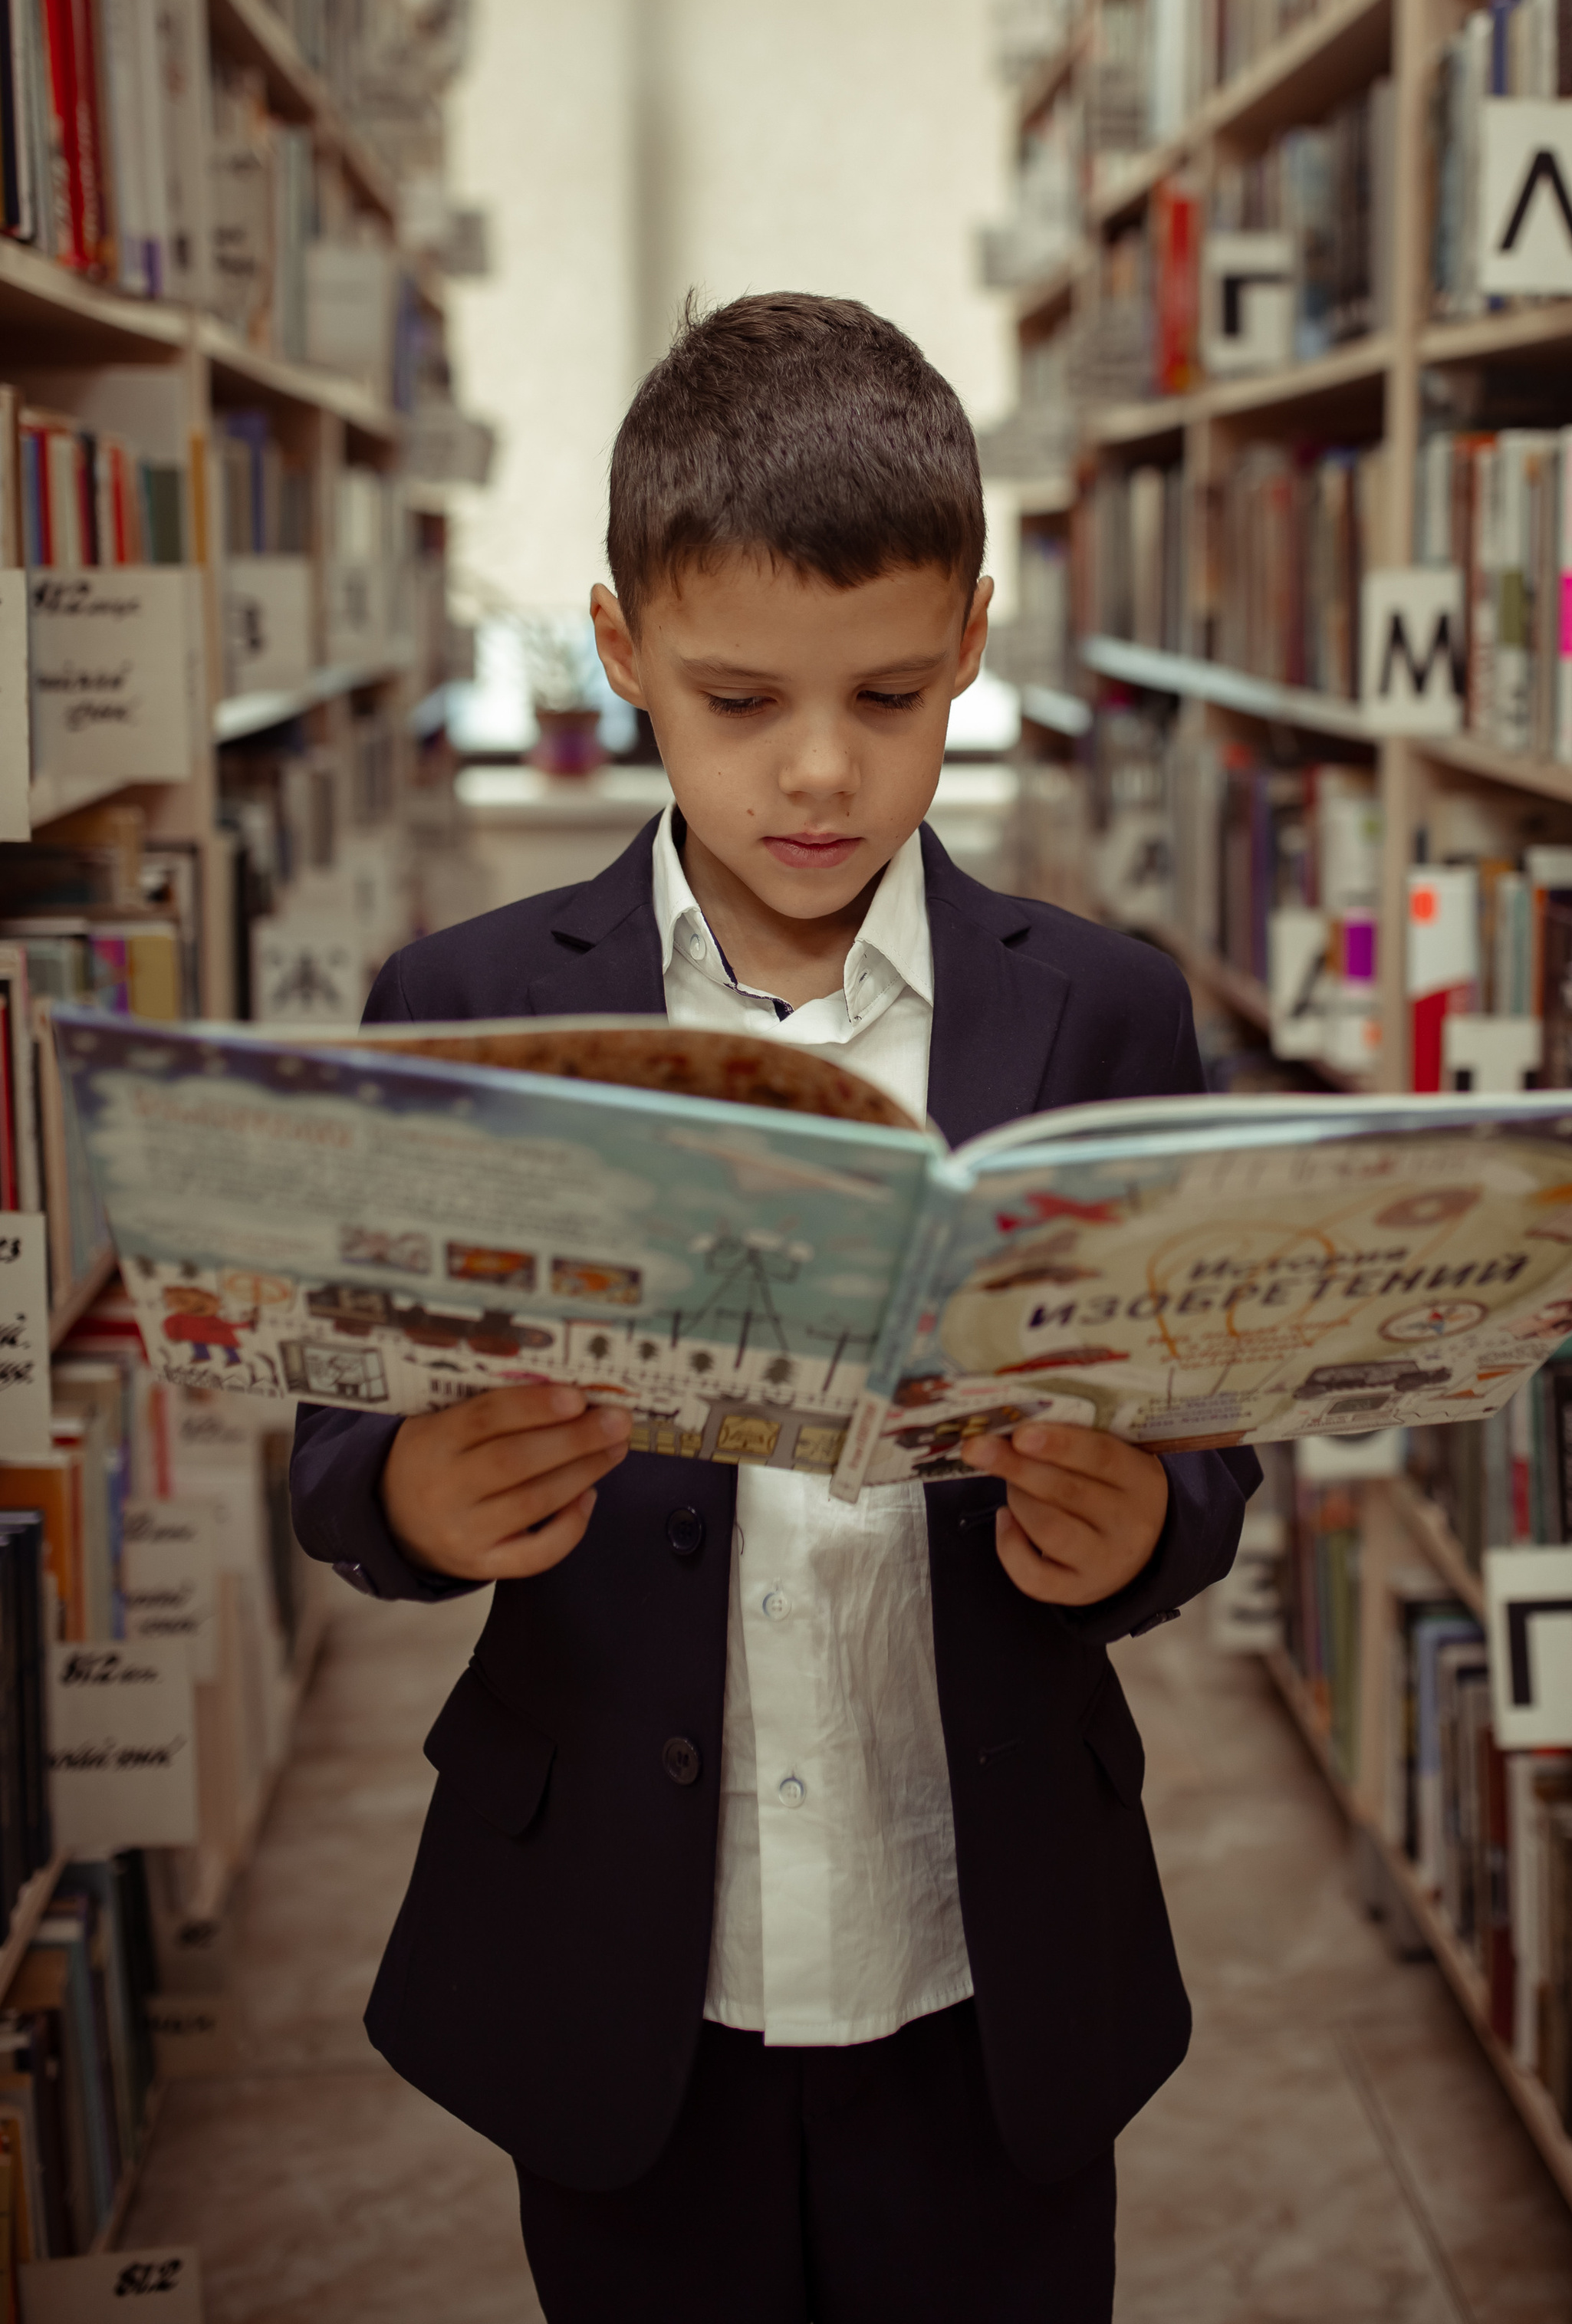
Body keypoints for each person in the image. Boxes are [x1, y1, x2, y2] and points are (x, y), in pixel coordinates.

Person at [289, 292, 1258, 2322]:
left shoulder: (1103, 1007)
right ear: (618, 649)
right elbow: (343, 1464)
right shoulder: (464, 1011)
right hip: (632, 1974)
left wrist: (1144, 1528)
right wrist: (417, 1504)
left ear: (975, 645)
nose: (818, 774)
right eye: (738, 704)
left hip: (982, 1955)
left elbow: (1202, 1451)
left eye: (891, 698)